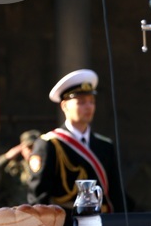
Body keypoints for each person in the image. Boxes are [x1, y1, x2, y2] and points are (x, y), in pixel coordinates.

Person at [27, 69, 125, 216]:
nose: (88, 107)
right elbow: (38, 198)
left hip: (102, 222)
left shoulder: (105, 145)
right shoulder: (49, 144)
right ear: (64, 106)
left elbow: (116, 195)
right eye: (81, 102)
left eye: (92, 101)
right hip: (66, 223)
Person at [0, 129, 41, 207]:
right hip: (19, 211)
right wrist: (6, 157)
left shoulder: (48, 166)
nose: (33, 151)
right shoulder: (16, 168)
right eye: (29, 147)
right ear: (22, 149)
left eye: (37, 147)